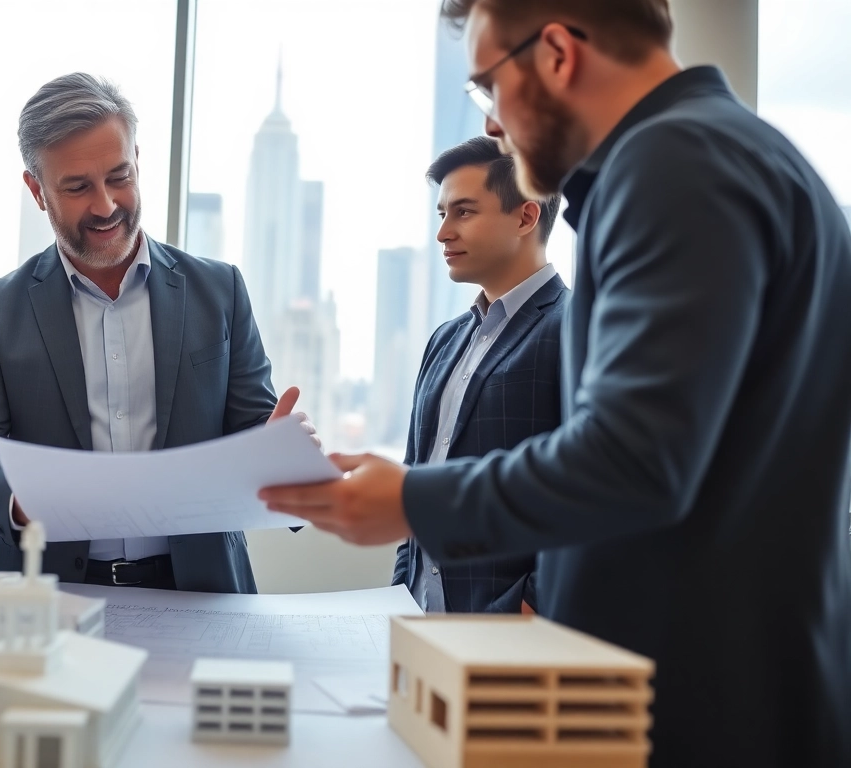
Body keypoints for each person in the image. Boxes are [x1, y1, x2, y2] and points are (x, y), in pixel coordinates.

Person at [260, 2, 851, 765]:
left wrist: (412, 502)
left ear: (559, 54)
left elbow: (635, 458)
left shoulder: (672, 166)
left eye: (488, 86)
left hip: (699, 714)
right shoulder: (735, 154)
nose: (492, 124)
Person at [0, 73, 313, 593]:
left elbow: (254, 428)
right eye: (78, 187)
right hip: (47, 597)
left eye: (119, 176)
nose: (106, 205)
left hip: (201, 592)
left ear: (138, 159)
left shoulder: (219, 290)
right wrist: (21, 499)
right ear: (37, 191)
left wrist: (283, 453)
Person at [393, 136, 565, 614]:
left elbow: (598, 492)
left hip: (512, 631)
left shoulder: (576, 328)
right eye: (441, 214)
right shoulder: (444, 340)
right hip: (419, 617)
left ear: (526, 217)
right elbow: (414, 482)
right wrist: (401, 595)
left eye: (463, 212)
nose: (443, 233)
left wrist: (530, 607)